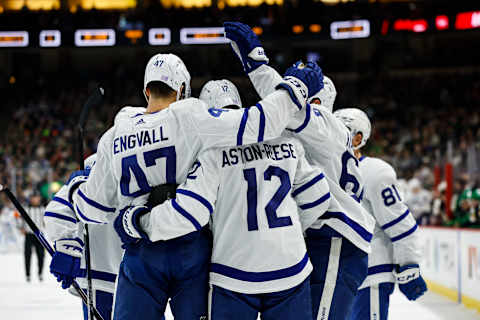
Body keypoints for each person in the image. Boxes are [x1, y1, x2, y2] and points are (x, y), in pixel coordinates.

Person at [66, 48, 324, 320]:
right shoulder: (190, 117)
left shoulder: (116, 133)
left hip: (141, 251)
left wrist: (76, 188)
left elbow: (91, 209)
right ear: (181, 89)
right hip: (191, 251)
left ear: (146, 92)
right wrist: (292, 89)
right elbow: (260, 123)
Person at [117, 79, 331, 319]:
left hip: (233, 272)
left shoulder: (210, 153)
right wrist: (289, 232)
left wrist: (137, 222)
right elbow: (318, 197)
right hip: (290, 268)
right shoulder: (284, 140)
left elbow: (189, 211)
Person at [224, 22, 375, 320]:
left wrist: (257, 67)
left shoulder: (325, 123)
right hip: (327, 239)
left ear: (317, 100)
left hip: (335, 238)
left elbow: (290, 106)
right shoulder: (317, 132)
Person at [333, 108, 427, 320]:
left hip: (370, 274)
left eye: (341, 130)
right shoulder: (322, 169)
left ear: (358, 137)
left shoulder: (374, 172)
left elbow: (400, 224)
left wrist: (408, 264)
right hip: (337, 276)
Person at [44, 154, 125, 320]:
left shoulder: (99, 156)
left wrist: (67, 246)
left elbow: (59, 208)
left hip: (100, 272)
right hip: (139, 271)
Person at [20, 193, 46, 282]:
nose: (35, 199)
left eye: (36, 197)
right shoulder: (27, 208)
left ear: (39, 198)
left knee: (41, 255)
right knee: (27, 255)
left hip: (40, 235)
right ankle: (28, 275)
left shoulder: (43, 209)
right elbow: (20, 219)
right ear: (30, 199)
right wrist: (21, 227)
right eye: (33, 198)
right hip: (29, 234)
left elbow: (46, 221)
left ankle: (40, 273)